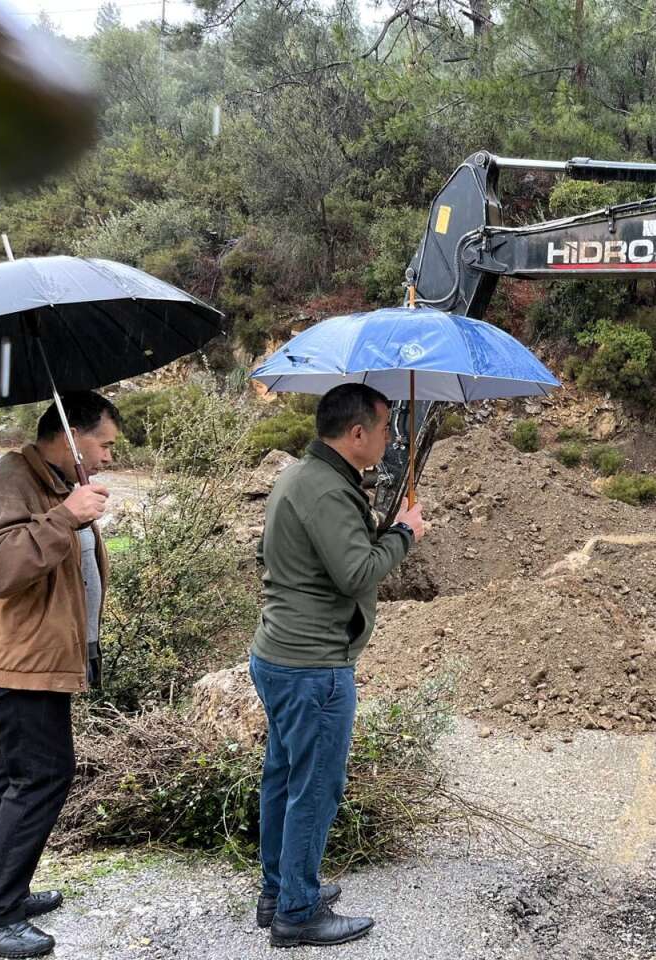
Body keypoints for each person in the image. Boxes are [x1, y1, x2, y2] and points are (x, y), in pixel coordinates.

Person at [250, 383, 425, 949]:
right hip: (313, 666)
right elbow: (356, 574)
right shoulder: (326, 491)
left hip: (281, 655)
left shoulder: (305, 477)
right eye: (384, 430)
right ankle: (296, 913)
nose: (389, 438)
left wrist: (379, 527)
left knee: (283, 778)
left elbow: (299, 557)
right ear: (357, 434)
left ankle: (279, 889)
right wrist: (405, 534)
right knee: (314, 787)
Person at [0, 392, 120, 960]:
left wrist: (72, 510)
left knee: (5, 776)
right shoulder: (9, 479)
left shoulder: (52, 482)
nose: (111, 457)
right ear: (70, 438)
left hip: (35, 657)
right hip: (18, 662)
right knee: (44, 776)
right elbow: (0, 570)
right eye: (105, 445)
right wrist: (66, 517)